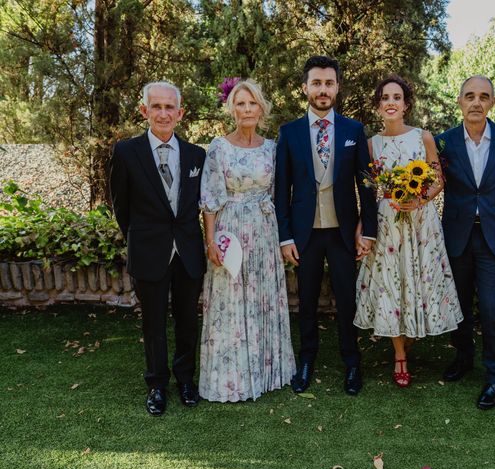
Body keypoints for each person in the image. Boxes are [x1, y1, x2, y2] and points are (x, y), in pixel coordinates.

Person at [274, 56, 378, 396]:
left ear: (337, 87)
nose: (323, 89)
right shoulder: (288, 133)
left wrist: (369, 229)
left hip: (343, 232)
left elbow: (367, 184)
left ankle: (352, 362)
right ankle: (307, 360)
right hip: (304, 234)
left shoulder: (353, 130)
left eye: (328, 83)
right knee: (306, 300)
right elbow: (281, 189)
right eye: (316, 83)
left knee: (347, 298)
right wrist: (285, 236)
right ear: (305, 88)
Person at [354, 75, 463, 387]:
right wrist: (365, 223)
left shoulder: (423, 137)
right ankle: (399, 354)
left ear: (406, 105)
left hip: (420, 221)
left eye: (397, 97)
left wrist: (419, 200)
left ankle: (411, 335)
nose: (391, 102)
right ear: (378, 106)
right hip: (388, 221)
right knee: (391, 284)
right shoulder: (372, 144)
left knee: (417, 282)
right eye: (385, 98)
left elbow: (439, 179)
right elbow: (368, 188)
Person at [110, 81, 205, 416]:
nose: (163, 113)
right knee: (153, 323)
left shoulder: (197, 155)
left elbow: (197, 204)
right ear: (144, 111)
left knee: (187, 321)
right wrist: (141, 238)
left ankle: (186, 380)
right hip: (149, 250)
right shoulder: (125, 152)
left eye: (169, 108)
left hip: (189, 252)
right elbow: (121, 207)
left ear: (180, 113)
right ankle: (157, 385)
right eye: (156, 107)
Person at [199, 79, 296, 402]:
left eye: (252, 103)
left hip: (264, 232)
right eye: (240, 104)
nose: (247, 110)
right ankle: (231, 378)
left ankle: (268, 372)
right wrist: (210, 240)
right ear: (232, 109)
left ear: (261, 108)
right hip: (230, 232)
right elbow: (210, 198)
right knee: (230, 300)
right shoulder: (219, 147)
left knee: (262, 298)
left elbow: (278, 193)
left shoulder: (272, 148)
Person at [435, 75, 495, 409]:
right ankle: (463, 356)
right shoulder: (443, 142)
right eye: (469, 95)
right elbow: (431, 182)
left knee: (492, 308)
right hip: (456, 235)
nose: (476, 102)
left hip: (493, 236)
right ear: (459, 100)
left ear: (492, 103)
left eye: (484, 96)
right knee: (458, 304)